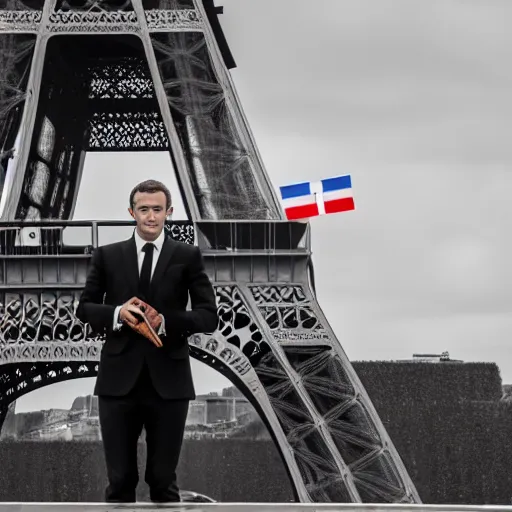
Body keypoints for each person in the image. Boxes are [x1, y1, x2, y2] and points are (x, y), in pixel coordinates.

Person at [76, 179, 218, 503]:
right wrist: (117, 312)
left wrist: (166, 321)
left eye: (157, 209)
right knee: (120, 480)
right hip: (117, 382)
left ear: (169, 212)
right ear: (132, 212)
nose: (151, 217)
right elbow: (84, 308)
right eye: (144, 209)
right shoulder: (107, 256)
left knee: (163, 479)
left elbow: (209, 316)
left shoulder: (188, 256)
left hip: (168, 382)